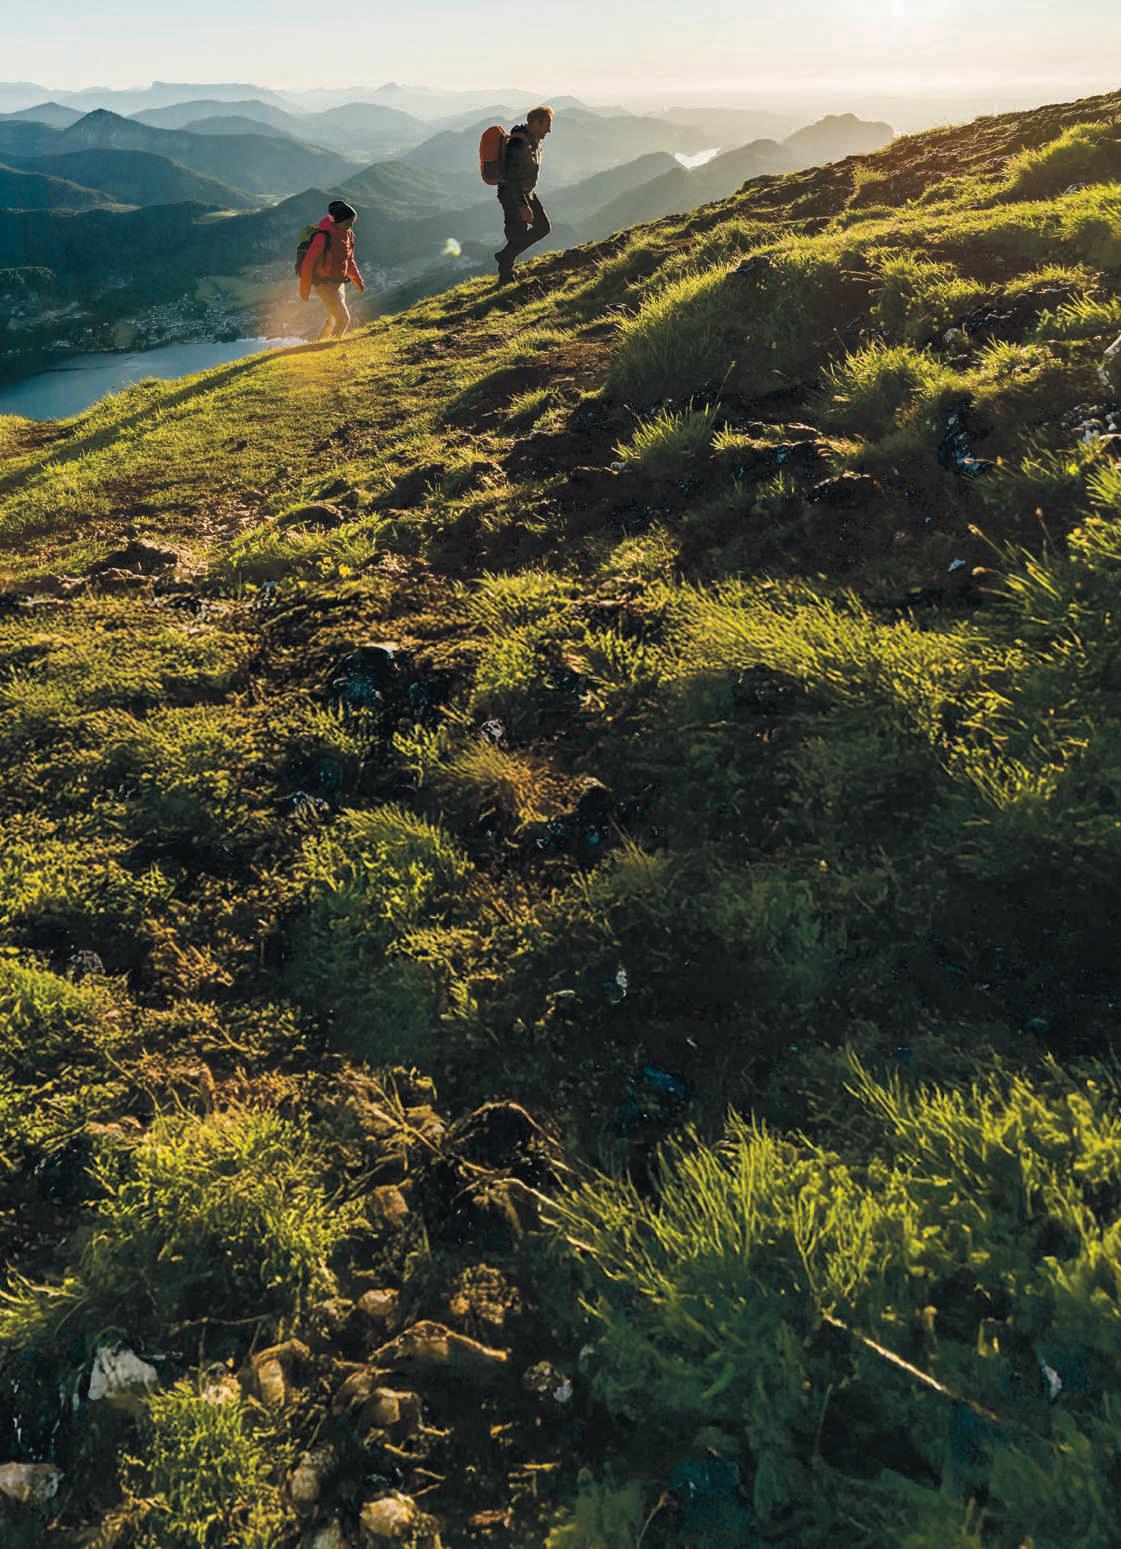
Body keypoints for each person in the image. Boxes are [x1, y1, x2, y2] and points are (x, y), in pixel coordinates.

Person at [495, 106, 554, 286]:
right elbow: (511, 179)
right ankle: (505, 276)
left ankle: (505, 256)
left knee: (542, 227)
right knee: (517, 232)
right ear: (535, 123)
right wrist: (522, 205)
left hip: (526, 192)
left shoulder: (533, 140)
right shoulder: (518, 144)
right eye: (546, 125)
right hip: (512, 194)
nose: (549, 130)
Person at [299, 199, 365, 340]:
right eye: (347, 223)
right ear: (337, 222)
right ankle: (331, 345)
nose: (350, 226)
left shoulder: (348, 235)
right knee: (344, 319)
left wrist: (357, 280)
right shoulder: (323, 237)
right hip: (324, 285)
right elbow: (308, 263)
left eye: (352, 222)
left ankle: (320, 344)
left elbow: (349, 260)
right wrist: (304, 289)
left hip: (338, 283)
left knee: (334, 318)